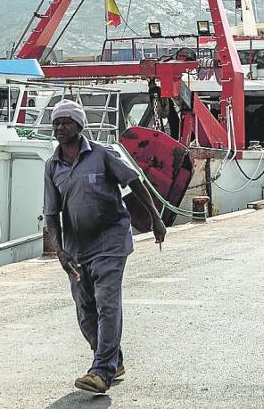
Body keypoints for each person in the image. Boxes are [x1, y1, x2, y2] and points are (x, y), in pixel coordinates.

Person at [43, 99, 166, 394]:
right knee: (85, 310)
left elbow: (134, 182)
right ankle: (114, 359)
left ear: (79, 126)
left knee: (106, 303)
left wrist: (155, 218)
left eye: (66, 122)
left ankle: (101, 370)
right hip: (76, 249)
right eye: (56, 123)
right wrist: (60, 250)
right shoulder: (52, 165)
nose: (60, 127)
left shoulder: (102, 154)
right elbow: (51, 213)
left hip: (110, 240)